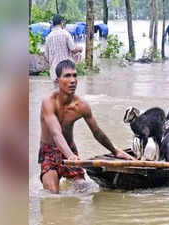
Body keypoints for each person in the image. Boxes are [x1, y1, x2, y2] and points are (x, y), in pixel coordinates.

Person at [38, 59, 135, 194]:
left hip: (70, 149)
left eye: (75, 75)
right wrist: (70, 156)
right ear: (57, 81)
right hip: (49, 152)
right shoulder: (48, 103)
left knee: (84, 190)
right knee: (52, 195)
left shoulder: (81, 106)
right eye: (67, 76)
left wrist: (115, 151)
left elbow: (97, 132)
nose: (72, 80)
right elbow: (56, 133)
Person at [45, 14, 82, 82]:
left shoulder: (48, 37)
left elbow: (46, 57)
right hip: (66, 70)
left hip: (54, 72)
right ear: (61, 22)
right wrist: (80, 49)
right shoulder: (66, 34)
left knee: (56, 90)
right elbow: (73, 49)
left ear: (53, 24)